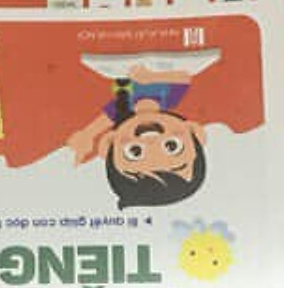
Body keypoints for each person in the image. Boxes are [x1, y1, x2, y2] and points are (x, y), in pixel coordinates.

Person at [67, 63, 207, 211]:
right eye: (171, 146)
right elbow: (183, 76)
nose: (151, 142)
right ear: (193, 131)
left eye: (135, 151)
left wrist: (87, 135)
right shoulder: (170, 98)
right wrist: (152, 77)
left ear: (109, 143)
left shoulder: (122, 108)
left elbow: (105, 119)